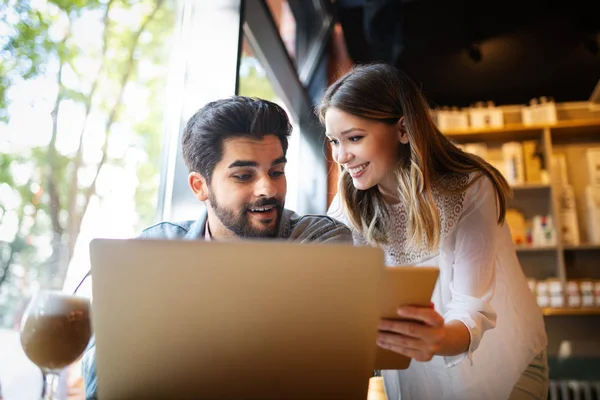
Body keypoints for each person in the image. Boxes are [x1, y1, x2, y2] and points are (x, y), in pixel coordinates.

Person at [81, 96, 352, 399]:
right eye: (243, 176)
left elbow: (321, 374)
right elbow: (99, 383)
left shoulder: (318, 241)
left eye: (276, 172)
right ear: (200, 187)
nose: (268, 188)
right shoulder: (155, 249)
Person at [320, 63, 548, 400]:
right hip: (419, 378)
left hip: (505, 364)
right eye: (334, 142)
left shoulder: (469, 188)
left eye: (354, 138)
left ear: (403, 130)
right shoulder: (348, 206)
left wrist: (436, 338)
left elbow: (472, 311)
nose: (341, 156)